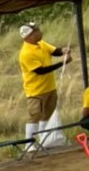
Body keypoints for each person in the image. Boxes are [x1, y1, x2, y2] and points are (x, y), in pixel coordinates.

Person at [18, 22, 73, 150]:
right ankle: (29, 144)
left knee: (47, 115)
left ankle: (44, 141)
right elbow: (40, 70)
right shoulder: (26, 53)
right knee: (35, 116)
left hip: (50, 87)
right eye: (37, 31)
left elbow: (54, 51)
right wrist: (62, 63)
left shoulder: (41, 44)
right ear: (29, 36)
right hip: (36, 91)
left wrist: (63, 51)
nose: (40, 33)